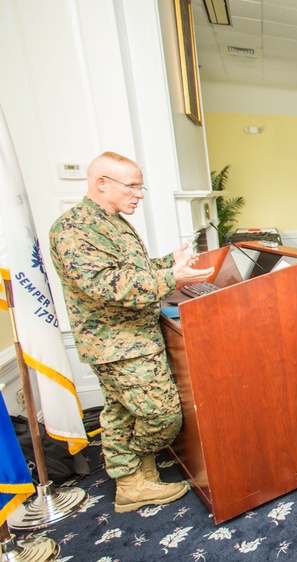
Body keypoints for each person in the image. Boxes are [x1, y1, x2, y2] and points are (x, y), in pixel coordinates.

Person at [49, 152, 214, 513]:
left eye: (141, 186)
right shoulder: (74, 229)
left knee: (121, 413)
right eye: (133, 186)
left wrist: (168, 262)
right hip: (118, 344)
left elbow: (131, 270)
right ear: (101, 183)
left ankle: (132, 483)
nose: (139, 194)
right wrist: (171, 277)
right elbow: (105, 284)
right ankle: (132, 469)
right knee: (163, 414)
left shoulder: (111, 221)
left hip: (132, 338)